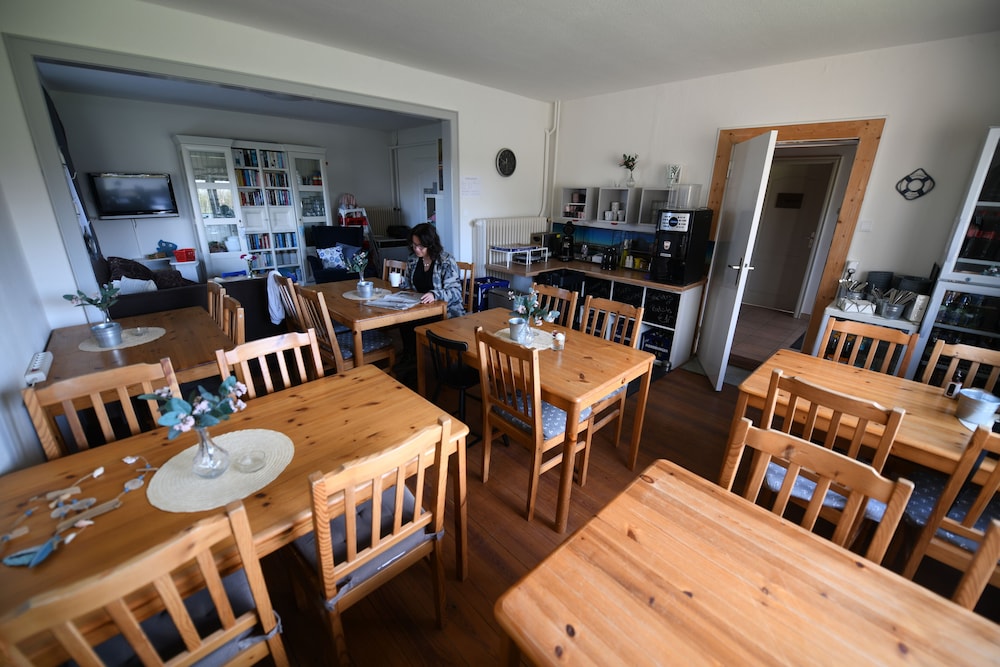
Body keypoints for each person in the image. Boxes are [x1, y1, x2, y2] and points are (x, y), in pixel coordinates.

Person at [403, 222, 466, 319]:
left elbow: (455, 292)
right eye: (414, 245)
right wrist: (401, 282)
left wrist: (434, 294)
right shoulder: (413, 259)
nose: (416, 249)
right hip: (421, 308)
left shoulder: (446, 261)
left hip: (446, 312)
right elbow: (408, 286)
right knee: (402, 322)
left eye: (421, 246)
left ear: (430, 244)